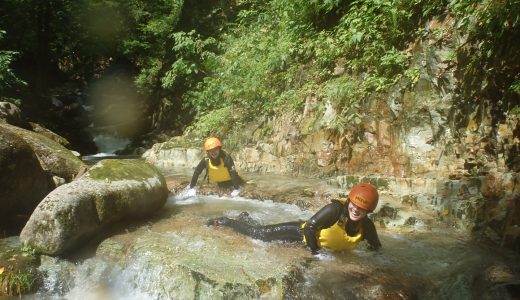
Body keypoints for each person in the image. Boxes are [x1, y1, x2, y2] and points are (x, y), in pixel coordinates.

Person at [207, 182, 381, 255]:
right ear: (348, 200)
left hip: (308, 240)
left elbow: (377, 248)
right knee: (257, 233)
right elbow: (309, 228)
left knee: (260, 229)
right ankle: (225, 221)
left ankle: (245, 217)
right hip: (298, 233)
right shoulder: (335, 210)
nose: (356, 210)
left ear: (369, 211)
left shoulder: (367, 227)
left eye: (362, 209)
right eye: (354, 205)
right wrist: (316, 253)